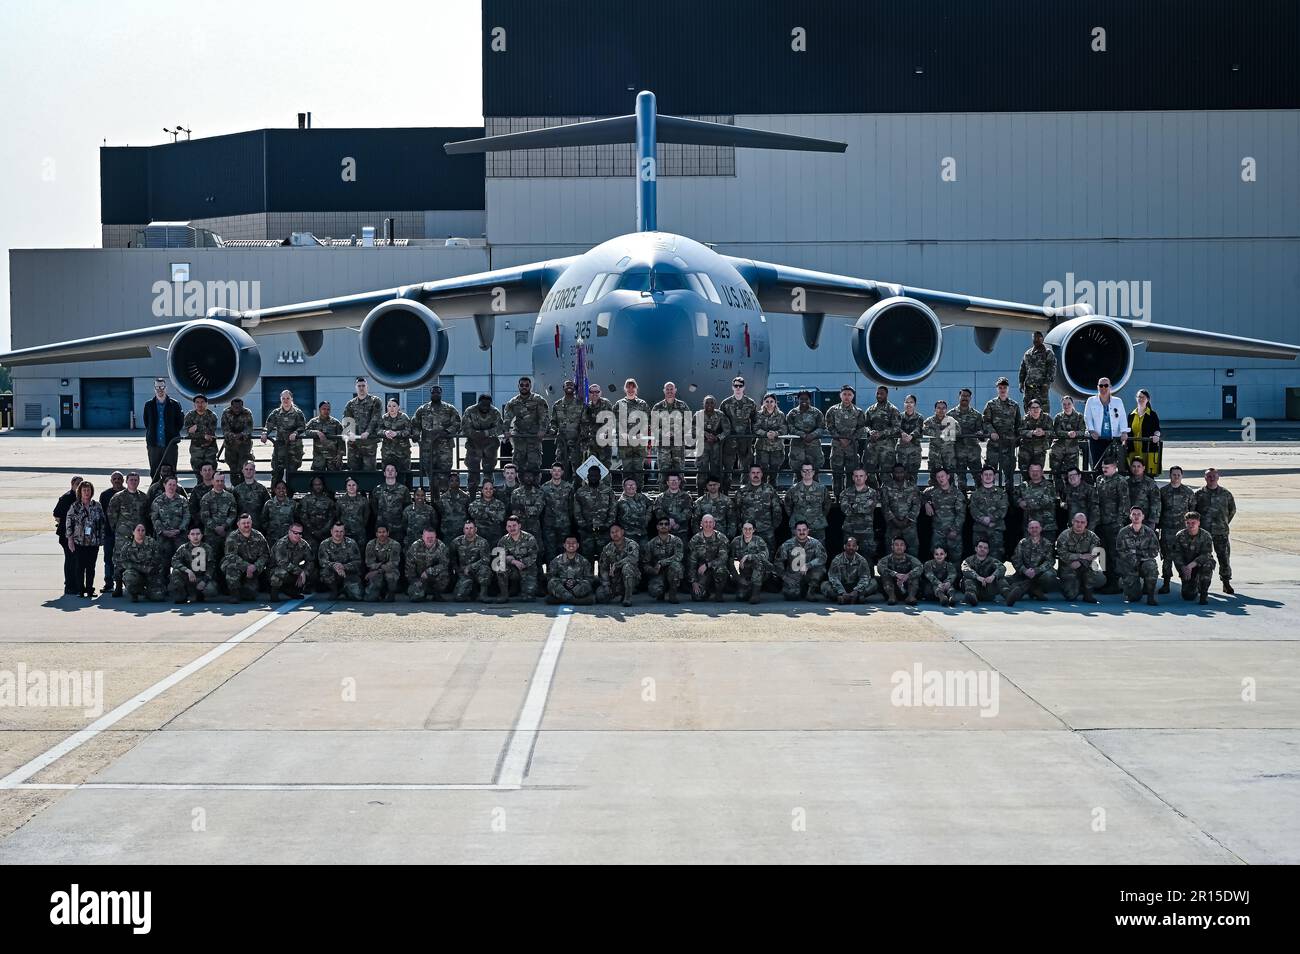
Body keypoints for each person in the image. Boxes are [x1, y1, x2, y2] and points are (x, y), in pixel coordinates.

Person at [1194, 468, 1236, 595]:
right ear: (1205, 478)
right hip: (1204, 533)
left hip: (1221, 532)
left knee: (1224, 557)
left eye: (1213, 476)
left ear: (1218, 477)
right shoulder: (1199, 494)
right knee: (1202, 558)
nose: (1211, 478)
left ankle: (1226, 581)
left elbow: (1232, 510)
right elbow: (1193, 512)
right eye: (1209, 476)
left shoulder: (1226, 494)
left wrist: (1223, 523)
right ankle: (1200, 583)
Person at [107, 472, 147, 597]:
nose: (133, 482)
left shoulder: (143, 497)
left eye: (136, 480)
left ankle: (138, 585)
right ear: (126, 481)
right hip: (122, 535)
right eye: (131, 480)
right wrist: (119, 529)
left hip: (139, 536)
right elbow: (111, 515)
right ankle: (118, 586)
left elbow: (146, 516)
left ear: (139, 481)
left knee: (140, 558)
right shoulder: (118, 497)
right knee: (119, 560)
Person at [1157, 465, 1197, 594]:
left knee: (1184, 557)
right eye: (1174, 475)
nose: (1176, 477)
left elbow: (1192, 511)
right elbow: (1159, 510)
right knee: (1167, 558)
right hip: (1167, 530)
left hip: (1183, 531)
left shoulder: (1188, 492)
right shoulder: (1163, 492)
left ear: (1182, 476)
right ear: (1170, 476)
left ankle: (1186, 583)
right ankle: (1166, 583)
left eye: (1178, 475)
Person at [411, 385, 460, 488]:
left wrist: (447, 431)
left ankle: (445, 497)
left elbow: (457, 423)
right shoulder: (423, 409)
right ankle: (434, 497)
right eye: (433, 393)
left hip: (445, 447)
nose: (435, 394)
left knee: (445, 472)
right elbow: (415, 424)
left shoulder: (449, 409)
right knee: (430, 472)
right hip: (427, 447)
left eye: (438, 393)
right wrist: (416, 434)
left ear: (441, 394)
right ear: (430, 394)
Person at [65, 479, 106, 598]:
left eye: (88, 490)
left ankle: (89, 589)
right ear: (80, 492)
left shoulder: (97, 505)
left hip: (93, 542)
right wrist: (70, 539)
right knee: (79, 567)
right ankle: (80, 590)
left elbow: (103, 522)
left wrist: (101, 539)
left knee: (91, 567)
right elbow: (69, 522)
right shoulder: (75, 506)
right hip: (79, 541)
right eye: (84, 490)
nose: (86, 492)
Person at [504, 376, 550, 476]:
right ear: (518, 386)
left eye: (526, 385)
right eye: (522, 385)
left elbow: (544, 416)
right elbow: (507, 418)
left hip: (534, 437)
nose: (524, 387)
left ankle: (535, 488)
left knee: (534, 465)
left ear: (530, 386)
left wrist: (542, 430)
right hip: (519, 437)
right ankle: (520, 489)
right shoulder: (513, 402)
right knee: (518, 465)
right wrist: (506, 430)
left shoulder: (538, 400)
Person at [1005, 519, 1057, 606]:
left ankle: (1034, 588)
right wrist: (1025, 570)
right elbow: (1016, 560)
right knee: (1015, 593)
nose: (1034, 529)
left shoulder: (1047, 544)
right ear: (1028, 530)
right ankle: (1034, 589)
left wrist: (1036, 570)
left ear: (1040, 529)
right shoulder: (1022, 543)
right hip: (1024, 574)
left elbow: (1050, 561)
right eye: (1032, 528)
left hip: (1040, 574)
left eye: (1036, 527)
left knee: (1050, 575)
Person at [824, 385, 866, 495]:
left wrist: (851, 438)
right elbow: (829, 426)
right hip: (837, 447)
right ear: (840, 395)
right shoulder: (832, 410)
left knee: (851, 474)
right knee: (837, 474)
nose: (847, 397)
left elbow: (861, 428)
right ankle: (838, 497)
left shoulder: (858, 412)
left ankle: (849, 497)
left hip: (852, 448)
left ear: (853, 396)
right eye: (844, 394)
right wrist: (840, 438)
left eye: (849, 395)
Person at [1115, 505, 1160, 605]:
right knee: (1134, 597)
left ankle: (1151, 596)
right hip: (1129, 564)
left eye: (1139, 514)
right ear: (1130, 517)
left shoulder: (1149, 532)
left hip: (1144, 562)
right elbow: (1120, 551)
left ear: (1143, 517)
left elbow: (1155, 550)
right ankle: (1134, 589)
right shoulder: (1123, 532)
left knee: (1151, 565)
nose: (1136, 516)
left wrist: (1140, 557)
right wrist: (1133, 559)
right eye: (1134, 514)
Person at [734, 464, 783, 554]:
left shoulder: (769, 490)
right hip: (748, 531)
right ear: (749, 474)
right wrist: (741, 526)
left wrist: (773, 526)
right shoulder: (741, 492)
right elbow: (737, 511)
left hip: (766, 530)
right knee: (748, 557)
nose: (755, 475)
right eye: (753, 473)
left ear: (761, 474)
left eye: (758, 472)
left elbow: (777, 510)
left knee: (769, 555)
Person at [222, 512, 271, 602]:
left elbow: (265, 554)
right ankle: (234, 594)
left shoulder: (259, 536)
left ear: (251, 523)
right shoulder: (232, 537)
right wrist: (246, 566)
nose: (246, 525)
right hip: (238, 566)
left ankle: (246, 588)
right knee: (230, 566)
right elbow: (230, 555)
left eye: (248, 523)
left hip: (254, 567)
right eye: (243, 523)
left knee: (250, 596)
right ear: (238, 524)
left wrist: (255, 566)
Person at [1056, 512, 1104, 603]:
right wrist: (1080, 556)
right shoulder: (1064, 535)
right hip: (1069, 566)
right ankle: (1074, 586)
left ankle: (1088, 593)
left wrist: (1081, 561)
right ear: (1072, 522)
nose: (1079, 524)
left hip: (1085, 565)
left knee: (1094, 567)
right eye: (1077, 522)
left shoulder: (1092, 536)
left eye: (1082, 522)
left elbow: (1094, 554)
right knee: (1071, 596)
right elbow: (1062, 553)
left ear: (1086, 523)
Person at [720, 376, 758, 490]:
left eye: (740, 386)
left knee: (746, 467)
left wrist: (753, 436)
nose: (738, 388)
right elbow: (720, 421)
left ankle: (745, 489)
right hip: (730, 440)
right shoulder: (725, 403)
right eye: (735, 386)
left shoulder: (750, 403)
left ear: (744, 387)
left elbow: (755, 420)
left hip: (744, 440)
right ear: (732, 387)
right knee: (727, 467)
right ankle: (726, 490)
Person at [982, 377, 1022, 487]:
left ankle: (1008, 498)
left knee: (1009, 475)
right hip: (994, 445)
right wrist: (992, 432)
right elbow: (985, 421)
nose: (1002, 389)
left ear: (1008, 388)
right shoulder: (991, 404)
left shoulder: (1014, 405)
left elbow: (1019, 424)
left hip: (1009, 446)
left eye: (1004, 387)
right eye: (1000, 387)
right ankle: (991, 496)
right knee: (990, 473)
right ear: (997, 389)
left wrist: (1017, 440)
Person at [1170, 511, 1216, 605]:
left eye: (1193, 523)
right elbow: (1176, 554)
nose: (1190, 525)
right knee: (1188, 596)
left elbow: (1206, 554)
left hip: (1199, 565)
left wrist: (1191, 565)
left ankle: (1203, 592)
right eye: (1188, 523)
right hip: (1186, 567)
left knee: (1208, 564)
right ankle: (1193, 582)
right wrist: (1183, 568)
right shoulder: (1180, 535)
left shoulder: (1205, 536)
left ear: (1198, 523)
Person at [1084, 377, 1129, 471]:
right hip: (1097, 439)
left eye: (1106, 385)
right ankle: (1098, 483)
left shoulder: (1118, 401)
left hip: (1114, 439)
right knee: (1097, 466)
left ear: (1110, 387)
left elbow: (1122, 418)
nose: (1103, 388)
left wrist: (1124, 432)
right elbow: (1087, 417)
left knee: (1113, 465)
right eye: (1101, 385)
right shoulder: (1091, 401)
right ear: (1097, 387)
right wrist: (1091, 431)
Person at [262, 390, 306, 484]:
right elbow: (268, 426)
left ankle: (290, 495)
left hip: (294, 448)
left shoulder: (298, 413)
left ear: (292, 399)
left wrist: (295, 433)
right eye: (283, 398)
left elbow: (302, 427)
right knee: (277, 472)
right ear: (280, 399)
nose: (285, 400)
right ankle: (275, 495)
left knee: (292, 473)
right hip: (280, 447)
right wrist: (265, 433)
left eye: (288, 398)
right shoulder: (276, 413)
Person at [776, 521, 828, 602]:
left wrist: (808, 565)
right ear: (795, 531)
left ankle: (811, 592)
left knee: (820, 568)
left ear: (808, 530)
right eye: (799, 530)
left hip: (809, 573)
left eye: (804, 530)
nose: (802, 532)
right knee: (791, 596)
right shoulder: (787, 544)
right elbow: (778, 562)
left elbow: (823, 557)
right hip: (794, 575)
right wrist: (785, 577)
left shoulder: (815, 543)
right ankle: (802, 589)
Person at [612, 378, 651, 483]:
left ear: (636, 389)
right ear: (625, 389)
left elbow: (648, 420)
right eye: (628, 387)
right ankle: (627, 491)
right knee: (627, 469)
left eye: (633, 387)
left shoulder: (642, 404)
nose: (630, 389)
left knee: (638, 469)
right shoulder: (619, 404)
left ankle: (638, 492)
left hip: (639, 443)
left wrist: (641, 433)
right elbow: (613, 420)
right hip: (625, 443)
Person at [923, 467, 966, 565]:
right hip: (938, 533)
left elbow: (961, 514)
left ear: (948, 476)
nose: (940, 479)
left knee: (955, 560)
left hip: (954, 532)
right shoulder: (932, 492)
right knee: (937, 561)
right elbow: (919, 495)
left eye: (942, 476)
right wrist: (926, 503)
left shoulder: (957, 494)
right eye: (938, 477)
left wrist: (954, 530)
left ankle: (956, 579)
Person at [463, 393, 504, 491]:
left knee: (488, 471)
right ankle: (472, 494)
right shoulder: (470, 411)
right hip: (474, 445)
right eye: (483, 404)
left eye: (487, 405)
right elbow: (464, 427)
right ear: (478, 403)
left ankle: (488, 494)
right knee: (473, 470)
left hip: (490, 446)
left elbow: (499, 428)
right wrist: (475, 433)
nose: (485, 407)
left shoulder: (495, 412)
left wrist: (485, 433)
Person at [143, 378, 184, 479]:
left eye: (162, 387)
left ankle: (171, 492)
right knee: (154, 471)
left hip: (170, 445)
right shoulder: (148, 405)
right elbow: (147, 422)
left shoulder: (175, 404)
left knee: (171, 471)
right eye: (157, 387)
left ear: (166, 388)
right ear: (154, 389)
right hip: (154, 445)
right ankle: (155, 492)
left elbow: (180, 422)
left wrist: (173, 433)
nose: (159, 390)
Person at [838, 466, 879, 563]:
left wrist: (853, 506)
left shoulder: (872, 493)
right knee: (848, 557)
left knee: (868, 557)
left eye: (861, 476)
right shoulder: (845, 493)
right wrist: (862, 506)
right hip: (850, 530)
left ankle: (868, 578)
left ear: (865, 477)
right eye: (856, 476)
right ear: (853, 477)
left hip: (866, 531)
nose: (858, 478)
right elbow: (846, 510)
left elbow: (869, 509)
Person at [495, 515, 540, 602]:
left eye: (514, 525)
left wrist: (521, 562)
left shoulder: (529, 538)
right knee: (499, 566)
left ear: (519, 526)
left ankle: (522, 589)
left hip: (527, 569)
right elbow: (500, 558)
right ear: (506, 528)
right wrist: (513, 561)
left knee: (528, 599)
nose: (512, 528)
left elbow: (533, 556)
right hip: (513, 569)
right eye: (509, 526)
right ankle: (504, 595)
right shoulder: (503, 540)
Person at [170, 526, 219, 604]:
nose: (195, 536)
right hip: (187, 578)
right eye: (192, 534)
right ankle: (183, 595)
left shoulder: (207, 548)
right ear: (189, 536)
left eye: (198, 534)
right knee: (176, 571)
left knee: (211, 591)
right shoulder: (183, 548)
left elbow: (211, 566)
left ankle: (199, 594)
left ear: (201, 536)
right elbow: (174, 561)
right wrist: (188, 571)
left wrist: (204, 581)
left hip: (201, 578)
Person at [823, 535, 879, 605]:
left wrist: (856, 591)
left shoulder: (862, 560)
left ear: (857, 547)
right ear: (844, 546)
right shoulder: (837, 560)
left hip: (856, 587)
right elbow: (833, 578)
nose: (851, 548)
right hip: (841, 587)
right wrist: (842, 592)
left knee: (874, 583)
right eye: (848, 545)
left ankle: (851, 597)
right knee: (824, 585)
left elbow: (865, 578)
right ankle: (844, 597)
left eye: (853, 546)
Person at [574, 466, 615, 560]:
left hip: (604, 531)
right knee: (587, 558)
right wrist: (583, 525)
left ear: (600, 477)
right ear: (587, 476)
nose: (593, 478)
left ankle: (603, 575)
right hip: (586, 531)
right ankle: (588, 575)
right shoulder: (580, 492)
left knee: (604, 558)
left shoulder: (608, 491)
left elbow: (613, 510)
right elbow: (577, 512)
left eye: (596, 476)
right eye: (591, 475)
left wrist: (607, 525)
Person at [540, 464, 576, 571]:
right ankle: (551, 574)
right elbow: (542, 507)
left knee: (564, 550)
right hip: (549, 525)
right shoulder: (544, 488)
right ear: (551, 472)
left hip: (564, 525)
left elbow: (571, 507)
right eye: (554, 470)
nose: (556, 473)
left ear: (562, 473)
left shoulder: (568, 487)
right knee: (550, 551)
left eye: (559, 471)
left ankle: (563, 573)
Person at [343, 376, 384, 471]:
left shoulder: (375, 401)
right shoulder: (350, 404)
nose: (361, 388)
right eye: (359, 386)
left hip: (369, 442)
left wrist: (367, 432)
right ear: (356, 387)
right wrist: (349, 432)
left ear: (367, 387)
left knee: (369, 469)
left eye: (363, 386)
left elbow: (375, 418)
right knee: (353, 469)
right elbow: (346, 419)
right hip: (354, 443)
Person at [687, 513, 730, 601]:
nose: (708, 524)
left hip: (715, 568)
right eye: (705, 522)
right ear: (701, 524)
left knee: (721, 570)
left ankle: (719, 593)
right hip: (701, 572)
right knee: (697, 597)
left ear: (714, 524)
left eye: (710, 522)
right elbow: (691, 563)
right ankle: (707, 592)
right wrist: (694, 582)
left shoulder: (721, 538)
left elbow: (723, 558)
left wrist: (708, 565)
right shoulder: (695, 540)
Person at [651, 381, 692, 476]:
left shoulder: (683, 406)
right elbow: (653, 426)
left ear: (675, 390)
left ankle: (680, 491)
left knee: (679, 472)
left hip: (678, 446)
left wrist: (676, 433)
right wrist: (664, 433)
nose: (669, 391)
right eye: (667, 389)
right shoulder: (657, 407)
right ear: (664, 391)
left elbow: (689, 424)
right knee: (663, 472)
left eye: (671, 389)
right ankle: (663, 491)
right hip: (663, 446)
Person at [269, 522, 317, 601]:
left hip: (293, 570)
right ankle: (274, 593)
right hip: (275, 570)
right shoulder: (282, 544)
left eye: (300, 533)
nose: (298, 535)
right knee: (281, 572)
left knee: (314, 572)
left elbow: (310, 561)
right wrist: (299, 572)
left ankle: (294, 591)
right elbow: (282, 563)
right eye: (295, 533)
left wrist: (304, 572)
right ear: (289, 532)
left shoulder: (303, 544)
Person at [881, 462, 921, 556]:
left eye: (901, 472)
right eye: (896, 472)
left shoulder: (912, 487)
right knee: (891, 551)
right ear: (892, 473)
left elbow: (916, 505)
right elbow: (885, 506)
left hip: (909, 526)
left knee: (913, 551)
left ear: (905, 472)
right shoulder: (886, 487)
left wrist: (906, 520)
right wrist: (895, 521)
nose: (899, 474)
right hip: (892, 525)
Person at [863, 386, 900, 486]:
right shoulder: (870, 410)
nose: (879, 395)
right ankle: (874, 494)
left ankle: (886, 496)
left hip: (887, 447)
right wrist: (870, 432)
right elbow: (865, 425)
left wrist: (882, 433)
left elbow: (896, 427)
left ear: (886, 394)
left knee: (886, 474)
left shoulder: (893, 410)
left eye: (881, 393)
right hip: (872, 447)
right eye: (877, 393)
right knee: (869, 473)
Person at [644, 515, 686, 603]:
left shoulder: (676, 540)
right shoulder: (650, 544)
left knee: (676, 566)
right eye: (661, 524)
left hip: (672, 570)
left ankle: (672, 594)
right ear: (657, 527)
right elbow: (646, 564)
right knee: (654, 591)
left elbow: (678, 556)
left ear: (669, 526)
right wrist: (653, 570)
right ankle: (661, 592)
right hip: (658, 572)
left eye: (666, 524)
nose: (664, 526)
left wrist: (661, 563)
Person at [786, 461, 831, 542]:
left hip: (817, 526)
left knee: (818, 551)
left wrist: (819, 516)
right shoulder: (793, 489)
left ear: (813, 472)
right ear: (801, 472)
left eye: (809, 470)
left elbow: (827, 505)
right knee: (797, 551)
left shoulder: (822, 489)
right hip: (799, 527)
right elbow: (788, 506)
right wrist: (796, 517)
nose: (807, 473)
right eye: (804, 470)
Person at [969, 465, 1008, 560]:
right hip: (980, 529)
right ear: (981, 476)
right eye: (985, 474)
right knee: (979, 556)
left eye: (990, 474)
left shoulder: (1001, 493)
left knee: (996, 556)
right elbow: (973, 510)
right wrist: (983, 519)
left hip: (996, 529)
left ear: (994, 476)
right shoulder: (976, 494)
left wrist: (990, 519)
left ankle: (995, 575)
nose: (988, 476)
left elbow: (1003, 509)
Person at [317, 521, 363, 601]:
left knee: (357, 597)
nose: (339, 534)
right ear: (331, 531)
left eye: (341, 531)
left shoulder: (351, 543)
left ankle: (345, 590)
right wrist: (335, 565)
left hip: (348, 573)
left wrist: (343, 567)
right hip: (333, 573)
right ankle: (334, 590)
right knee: (324, 572)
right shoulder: (324, 544)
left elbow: (357, 561)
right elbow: (322, 561)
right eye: (336, 531)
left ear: (344, 532)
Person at [118, 523, 164, 603]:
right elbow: (123, 562)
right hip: (136, 573)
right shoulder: (127, 546)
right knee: (129, 576)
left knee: (158, 597)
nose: (140, 532)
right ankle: (135, 593)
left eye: (143, 530)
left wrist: (154, 568)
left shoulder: (152, 543)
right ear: (133, 532)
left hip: (151, 573)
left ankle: (147, 592)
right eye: (138, 530)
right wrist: (143, 568)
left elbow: (159, 559)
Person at [950, 388, 986, 489]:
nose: (965, 398)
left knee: (979, 479)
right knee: (961, 481)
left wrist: (980, 433)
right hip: (958, 453)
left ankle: (978, 501)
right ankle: (962, 502)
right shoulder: (950, 415)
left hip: (973, 453)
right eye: (963, 396)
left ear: (970, 398)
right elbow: (947, 436)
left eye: (967, 396)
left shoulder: (977, 415)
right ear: (959, 397)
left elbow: (982, 433)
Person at [596, 523, 639, 607]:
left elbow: (633, 559)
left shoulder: (631, 544)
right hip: (615, 579)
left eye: (617, 531)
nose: (615, 534)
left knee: (627, 567)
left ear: (622, 532)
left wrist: (617, 564)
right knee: (600, 596)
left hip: (631, 577)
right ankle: (619, 592)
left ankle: (627, 597)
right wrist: (606, 584)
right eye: (612, 532)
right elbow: (603, 568)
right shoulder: (607, 548)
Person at [549, 381, 586, 478]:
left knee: (578, 468)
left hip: (576, 441)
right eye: (567, 385)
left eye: (571, 385)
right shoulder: (557, 405)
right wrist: (553, 429)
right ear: (563, 388)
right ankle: (562, 490)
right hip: (562, 441)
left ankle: (577, 490)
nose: (569, 387)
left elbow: (584, 422)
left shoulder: (580, 404)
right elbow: (553, 421)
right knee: (560, 468)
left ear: (575, 388)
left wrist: (583, 433)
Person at [405, 526, 451, 602]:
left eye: (432, 537)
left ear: (435, 536)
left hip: (434, 576)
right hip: (419, 578)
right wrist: (414, 581)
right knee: (415, 598)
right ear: (423, 537)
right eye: (427, 537)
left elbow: (444, 564)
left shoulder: (441, 546)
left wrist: (429, 571)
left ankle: (437, 593)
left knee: (444, 574)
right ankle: (422, 592)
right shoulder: (415, 546)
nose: (430, 539)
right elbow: (409, 566)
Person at [451, 519, 493, 602]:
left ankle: (483, 594)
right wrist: (457, 571)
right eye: (466, 528)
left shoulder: (483, 542)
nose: (469, 531)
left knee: (485, 569)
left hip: (478, 570)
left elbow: (486, 559)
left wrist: (470, 567)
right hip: (463, 572)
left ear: (475, 529)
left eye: (471, 528)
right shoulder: (456, 542)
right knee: (459, 597)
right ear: (463, 530)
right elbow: (453, 559)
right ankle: (471, 592)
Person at [546, 536, 595, 605]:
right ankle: (575, 601)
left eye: (573, 543)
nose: (571, 545)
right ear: (564, 545)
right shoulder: (556, 560)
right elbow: (550, 577)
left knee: (587, 584)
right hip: (562, 587)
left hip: (576, 588)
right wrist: (564, 582)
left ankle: (562, 599)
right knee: (552, 582)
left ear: (578, 545)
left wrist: (575, 582)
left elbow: (589, 579)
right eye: (568, 543)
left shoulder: (584, 561)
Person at [785, 389, 824, 475]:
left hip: (813, 446)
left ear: (810, 400)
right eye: (801, 399)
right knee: (797, 470)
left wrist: (812, 435)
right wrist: (802, 435)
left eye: (806, 399)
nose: (804, 401)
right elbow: (789, 427)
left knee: (815, 470)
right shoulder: (792, 413)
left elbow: (821, 427)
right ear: (798, 400)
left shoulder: (817, 413)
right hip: (797, 446)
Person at [729, 521, 769, 604]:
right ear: (742, 530)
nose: (747, 531)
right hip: (744, 573)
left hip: (759, 572)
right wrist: (739, 578)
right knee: (741, 597)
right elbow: (730, 561)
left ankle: (755, 594)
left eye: (750, 529)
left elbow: (765, 555)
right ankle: (748, 589)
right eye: (745, 529)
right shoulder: (736, 542)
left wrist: (749, 556)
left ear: (754, 530)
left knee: (759, 562)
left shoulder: (759, 541)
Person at [1050, 395, 1085, 489]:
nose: (1066, 406)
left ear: (1073, 404)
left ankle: (1071, 496)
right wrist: (1068, 434)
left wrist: (1076, 434)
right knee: (1056, 474)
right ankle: (1059, 496)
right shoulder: (1058, 417)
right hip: (1058, 450)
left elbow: (1082, 431)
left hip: (1072, 450)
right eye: (1064, 404)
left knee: (1072, 474)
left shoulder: (1079, 417)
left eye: (1069, 404)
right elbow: (1056, 431)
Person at [1126, 388, 1162, 476]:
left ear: (1147, 399)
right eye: (1139, 397)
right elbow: (1127, 430)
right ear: (1136, 398)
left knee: (1148, 475)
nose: (1141, 399)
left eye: (1143, 397)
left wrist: (1156, 436)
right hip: (1133, 450)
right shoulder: (1131, 415)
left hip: (1147, 450)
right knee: (1133, 475)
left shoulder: (1152, 414)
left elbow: (1157, 429)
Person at [877, 536, 923, 606]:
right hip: (892, 589)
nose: (899, 547)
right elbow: (880, 567)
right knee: (885, 576)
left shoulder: (911, 559)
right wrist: (895, 574)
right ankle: (892, 597)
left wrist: (907, 576)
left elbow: (920, 567)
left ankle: (911, 597)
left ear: (905, 547)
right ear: (892, 547)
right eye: (896, 545)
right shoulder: (886, 559)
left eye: (901, 545)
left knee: (915, 576)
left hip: (907, 588)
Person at [98, 471, 124, 593]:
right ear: (111, 480)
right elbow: (101, 514)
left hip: (124, 534)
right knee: (108, 559)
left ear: (123, 480)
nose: (117, 480)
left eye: (119, 478)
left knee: (124, 558)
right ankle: (109, 583)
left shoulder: (127, 493)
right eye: (115, 479)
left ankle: (123, 583)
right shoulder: (105, 495)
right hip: (109, 533)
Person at [1018, 330, 1057, 411]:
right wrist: (1021, 382)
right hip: (1029, 389)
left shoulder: (1048, 353)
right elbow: (1023, 369)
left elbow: (1052, 369)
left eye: (1038, 338)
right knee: (1028, 411)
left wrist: (1046, 384)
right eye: (1034, 338)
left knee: (1043, 411)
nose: (1036, 340)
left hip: (1041, 388)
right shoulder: (1028, 353)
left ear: (1042, 339)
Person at [961, 540, 1008, 606]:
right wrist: (977, 577)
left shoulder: (992, 560)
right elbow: (965, 569)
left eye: (985, 548)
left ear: (988, 551)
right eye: (980, 547)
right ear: (976, 548)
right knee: (967, 578)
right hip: (975, 589)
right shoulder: (968, 560)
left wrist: (993, 576)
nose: (982, 549)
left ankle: (1008, 596)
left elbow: (1002, 568)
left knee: (1000, 578)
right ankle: (971, 597)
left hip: (988, 590)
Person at [184, 394, 219, 479]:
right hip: (196, 449)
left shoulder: (212, 415)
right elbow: (188, 432)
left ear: (206, 404)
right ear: (194, 404)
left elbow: (210, 432)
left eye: (202, 402)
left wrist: (196, 429)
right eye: (197, 402)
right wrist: (203, 435)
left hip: (210, 448)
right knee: (197, 470)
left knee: (210, 471)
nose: (200, 404)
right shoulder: (190, 415)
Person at [221, 397, 255, 483]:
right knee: (233, 467)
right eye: (235, 407)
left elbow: (249, 429)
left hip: (244, 444)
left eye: (239, 407)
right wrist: (234, 437)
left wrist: (240, 436)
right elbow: (225, 429)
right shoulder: (226, 413)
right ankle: (234, 487)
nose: (237, 409)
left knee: (243, 466)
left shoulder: (247, 413)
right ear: (231, 406)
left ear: (242, 406)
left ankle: (245, 484)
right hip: (230, 444)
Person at [363, 525, 402, 602]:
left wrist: (378, 570)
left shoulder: (395, 545)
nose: (382, 534)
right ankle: (378, 592)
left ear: (388, 533)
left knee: (390, 576)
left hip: (390, 571)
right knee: (371, 599)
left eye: (384, 532)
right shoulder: (371, 544)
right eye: (379, 532)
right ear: (376, 534)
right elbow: (369, 563)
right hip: (376, 573)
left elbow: (393, 563)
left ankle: (390, 592)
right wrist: (379, 568)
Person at [695, 395, 730, 481]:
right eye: (707, 403)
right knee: (702, 471)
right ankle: (700, 493)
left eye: (711, 402)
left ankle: (717, 492)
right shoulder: (698, 415)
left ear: (715, 404)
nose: (709, 404)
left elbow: (727, 430)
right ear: (703, 404)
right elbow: (692, 428)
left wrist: (717, 438)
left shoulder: (720, 415)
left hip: (716, 447)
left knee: (716, 471)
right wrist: (704, 434)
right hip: (702, 447)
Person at [580, 384, 615, 469]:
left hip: (605, 443)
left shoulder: (606, 404)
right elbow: (584, 424)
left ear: (600, 393)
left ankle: (606, 483)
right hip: (592, 444)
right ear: (589, 394)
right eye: (592, 392)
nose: (594, 394)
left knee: (606, 468)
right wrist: (584, 442)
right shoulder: (587, 407)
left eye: (597, 392)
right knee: (593, 468)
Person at [753, 393, 785, 483]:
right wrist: (765, 433)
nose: (769, 404)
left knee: (774, 469)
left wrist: (775, 433)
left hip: (776, 447)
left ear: (775, 403)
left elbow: (784, 429)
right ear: (763, 402)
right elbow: (755, 428)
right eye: (767, 401)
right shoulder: (759, 415)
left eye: (771, 401)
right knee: (762, 468)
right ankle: (762, 488)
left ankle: (772, 488)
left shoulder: (780, 415)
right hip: (762, 447)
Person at [304, 400, 344, 471]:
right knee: (318, 479)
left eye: (328, 409)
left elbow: (341, 440)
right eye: (324, 409)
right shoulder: (313, 422)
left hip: (333, 457)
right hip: (319, 457)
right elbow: (306, 431)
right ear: (319, 410)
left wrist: (340, 456)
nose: (326, 411)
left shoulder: (336, 423)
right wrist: (317, 432)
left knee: (334, 478)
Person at [232, 461, 271, 533]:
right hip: (242, 527)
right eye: (246, 469)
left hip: (258, 527)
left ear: (254, 471)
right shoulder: (237, 490)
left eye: (251, 469)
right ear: (243, 471)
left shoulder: (262, 489)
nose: (248, 471)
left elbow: (268, 508)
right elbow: (233, 510)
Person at [923, 400, 958, 479]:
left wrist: (944, 432)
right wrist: (941, 432)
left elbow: (958, 431)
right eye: (938, 408)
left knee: (950, 476)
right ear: (935, 409)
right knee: (933, 476)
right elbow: (924, 430)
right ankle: (932, 490)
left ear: (946, 409)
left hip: (948, 453)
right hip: (934, 454)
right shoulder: (930, 421)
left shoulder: (951, 420)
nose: (941, 410)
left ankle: (951, 490)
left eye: (943, 408)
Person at [895, 394, 924, 484]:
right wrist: (902, 434)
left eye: (911, 402)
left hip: (914, 450)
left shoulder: (919, 417)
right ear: (904, 404)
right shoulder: (899, 416)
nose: (909, 404)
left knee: (913, 475)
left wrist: (911, 435)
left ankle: (913, 495)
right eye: (906, 402)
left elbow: (919, 428)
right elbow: (896, 427)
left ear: (915, 404)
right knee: (900, 474)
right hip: (902, 450)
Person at [379, 398, 413, 473]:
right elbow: (378, 430)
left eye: (394, 406)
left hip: (402, 452)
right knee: (387, 473)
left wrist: (397, 434)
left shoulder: (404, 417)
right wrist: (385, 432)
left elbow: (409, 431)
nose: (391, 408)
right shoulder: (384, 417)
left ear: (398, 407)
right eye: (389, 406)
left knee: (405, 473)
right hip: (387, 452)